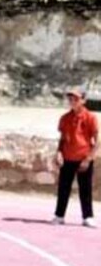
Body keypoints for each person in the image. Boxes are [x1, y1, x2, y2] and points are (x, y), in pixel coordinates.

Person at [53, 87, 97, 228]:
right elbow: (62, 139)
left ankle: (88, 217)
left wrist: (88, 159)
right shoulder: (65, 118)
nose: (72, 101)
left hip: (83, 158)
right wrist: (59, 152)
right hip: (67, 158)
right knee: (63, 188)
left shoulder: (90, 117)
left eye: (76, 98)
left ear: (83, 100)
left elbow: (98, 141)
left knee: (85, 189)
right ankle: (59, 215)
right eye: (70, 98)